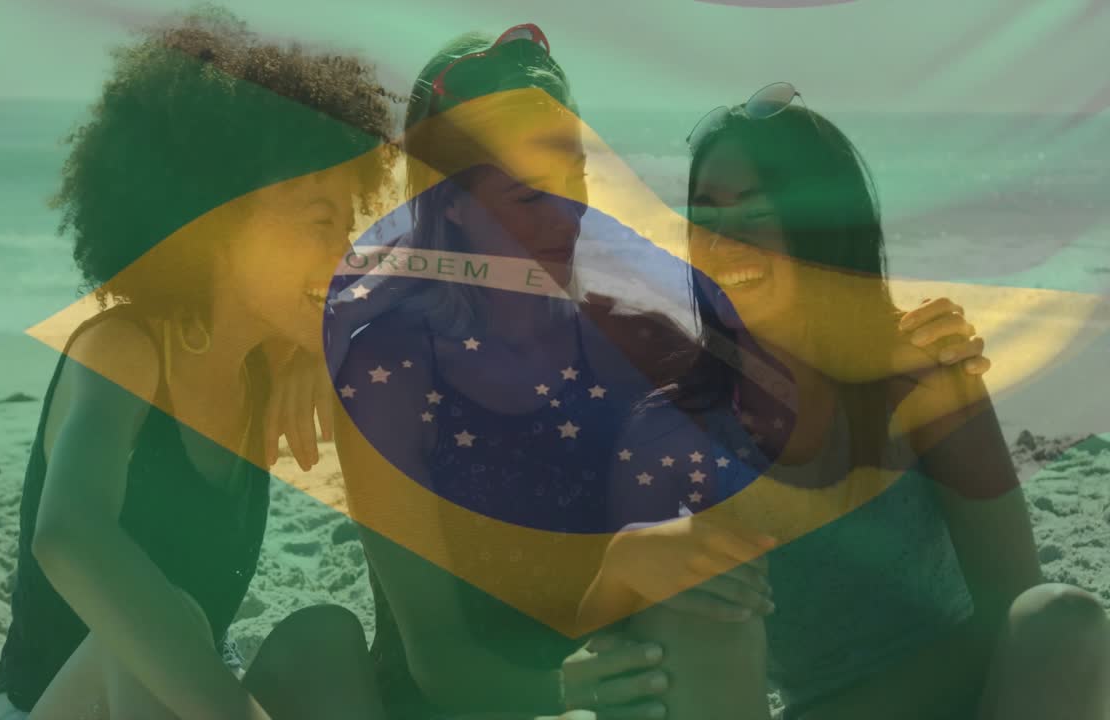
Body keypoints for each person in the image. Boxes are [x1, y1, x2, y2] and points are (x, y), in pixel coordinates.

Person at [329, 31, 995, 718]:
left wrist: (901, 344)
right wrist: (604, 601)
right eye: (531, 197)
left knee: (702, 591)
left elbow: (775, 342)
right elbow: (443, 667)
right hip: (472, 704)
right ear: (454, 202)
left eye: (578, 176)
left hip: (613, 676)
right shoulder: (392, 372)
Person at [586, 85, 1110, 719]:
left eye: (755, 212)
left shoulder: (922, 377)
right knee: (687, 598)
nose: (724, 240)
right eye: (706, 215)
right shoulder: (675, 424)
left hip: (971, 698)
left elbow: (1014, 606)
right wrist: (620, 562)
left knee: (1064, 620)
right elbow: (619, 641)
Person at [0, 9, 397, 720]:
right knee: (147, 628)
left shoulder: (268, 363)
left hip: (188, 694)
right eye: (317, 221)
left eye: (347, 221)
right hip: (64, 703)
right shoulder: (124, 348)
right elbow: (67, 533)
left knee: (324, 636)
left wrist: (308, 349)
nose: (344, 253)